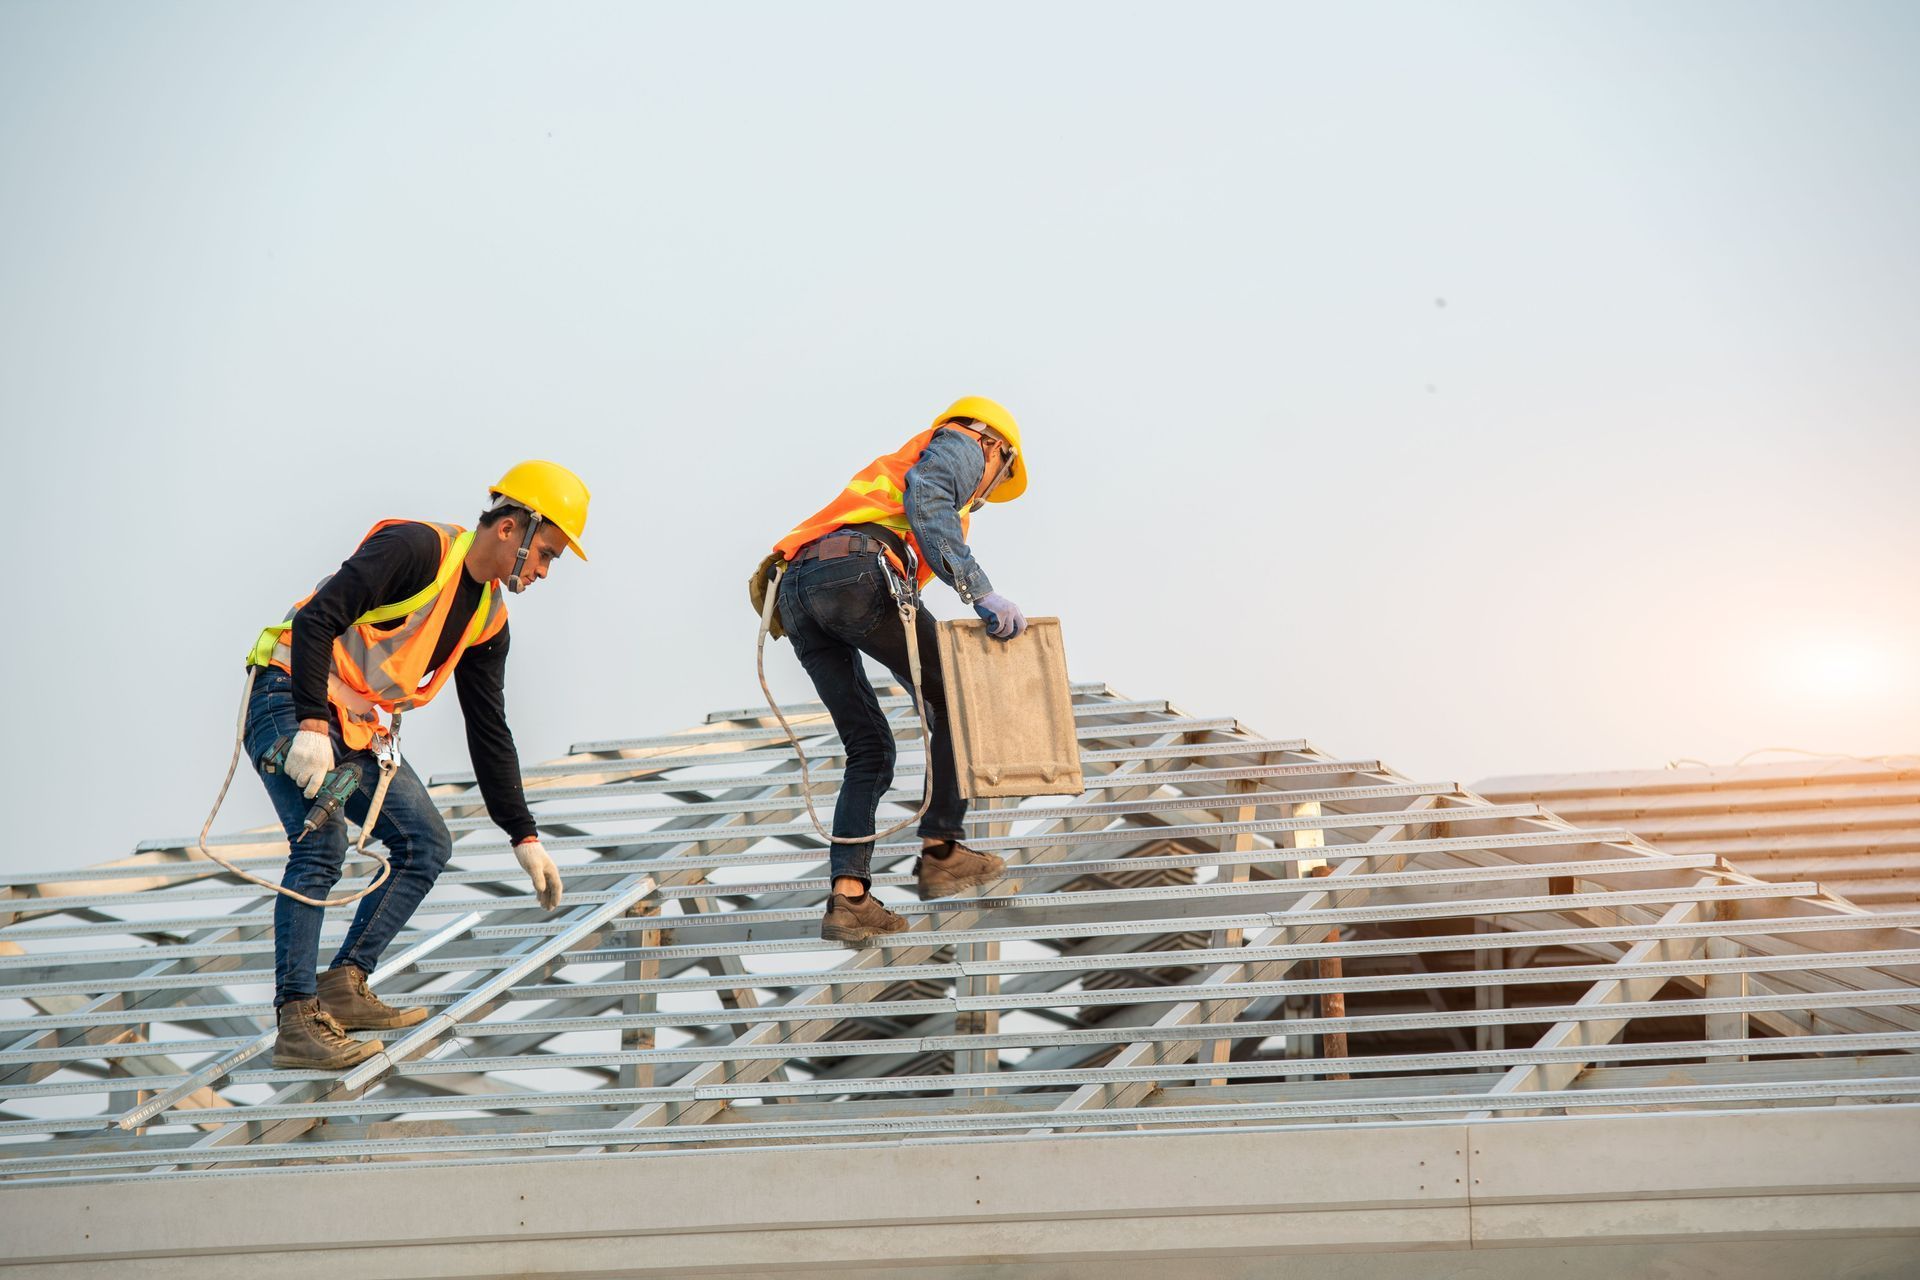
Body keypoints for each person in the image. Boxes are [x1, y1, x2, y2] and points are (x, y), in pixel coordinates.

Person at [244, 461, 589, 1068]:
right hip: (287, 697)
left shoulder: (487, 620)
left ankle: (343, 984)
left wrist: (523, 833)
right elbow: (318, 619)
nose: (542, 572)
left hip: (352, 727)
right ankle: (296, 1019)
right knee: (321, 844)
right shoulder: (416, 548)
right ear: (512, 528)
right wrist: (311, 724)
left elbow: (488, 731)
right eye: (547, 555)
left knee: (426, 843)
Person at [768, 397, 1028, 944]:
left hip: (795, 594)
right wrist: (979, 590)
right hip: (857, 571)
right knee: (957, 697)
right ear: (993, 447)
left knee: (870, 749)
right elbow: (931, 498)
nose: (983, 492)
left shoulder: (893, 472)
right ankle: (943, 851)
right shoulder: (960, 442)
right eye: (995, 476)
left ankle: (850, 899)